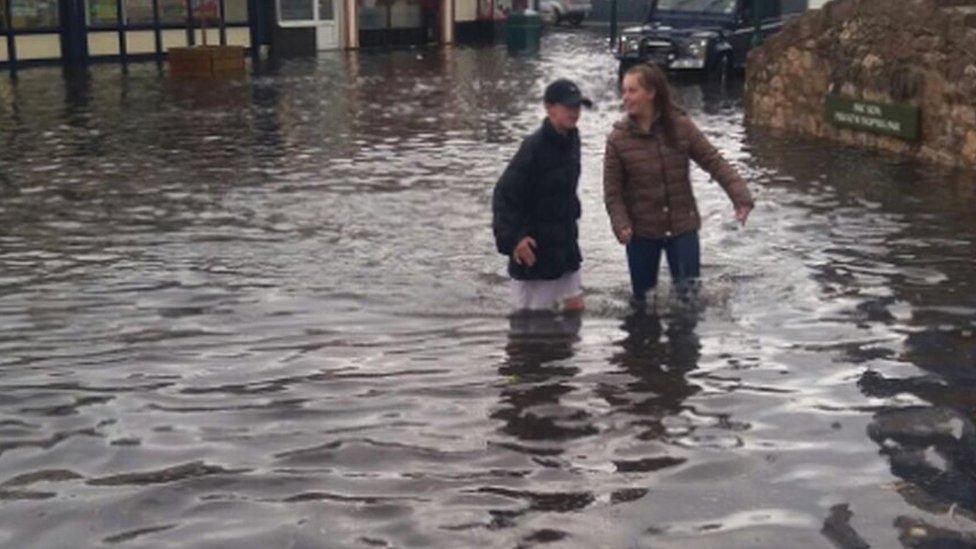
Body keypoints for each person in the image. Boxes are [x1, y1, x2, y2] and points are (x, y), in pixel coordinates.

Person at [603, 63, 753, 303]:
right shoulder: (617, 140)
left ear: (651, 93)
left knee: (689, 300)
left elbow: (714, 161)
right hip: (641, 232)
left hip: (682, 228)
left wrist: (741, 197)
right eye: (624, 91)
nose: (625, 98)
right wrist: (620, 224)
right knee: (643, 303)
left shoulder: (681, 127)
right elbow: (613, 194)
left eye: (632, 91)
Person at [492, 78, 592, 312]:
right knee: (533, 323)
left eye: (577, 107)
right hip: (535, 251)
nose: (575, 113)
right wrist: (515, 239)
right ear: (549, 107)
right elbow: (504, 195)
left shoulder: (572, 140)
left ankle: (568, 349)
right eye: (569, 107)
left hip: (564, 243)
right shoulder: (533, 148)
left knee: (575, 309)